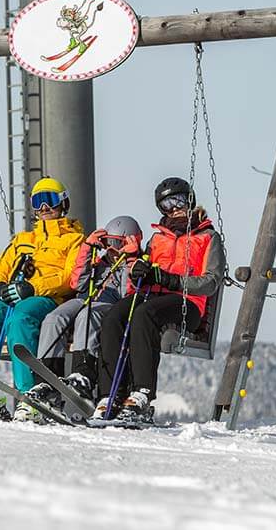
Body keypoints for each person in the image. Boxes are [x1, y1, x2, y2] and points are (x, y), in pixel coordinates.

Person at [0, 177, 85, 421]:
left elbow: (70, 277)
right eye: (38, 202)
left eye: (50, 201)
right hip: (11, 297)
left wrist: (32, 287)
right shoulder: (24, 240)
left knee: (21, 318)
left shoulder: (75, 240)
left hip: (47, 299)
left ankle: (30, 396)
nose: (44, 208)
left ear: (64, 203)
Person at [93, 177, 225, 424]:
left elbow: (210, 281)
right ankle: (110, 394)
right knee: (114, 316)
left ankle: (142, 393)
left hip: (187, 304)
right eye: (166, 205)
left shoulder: (208, 237)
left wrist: (171, 280)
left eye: (178, 201)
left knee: (144, 315)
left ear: (190, 199)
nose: (173, 208)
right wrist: (138, 266)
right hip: (152, 297)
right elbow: (142, 274)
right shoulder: (157, 238)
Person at [28, 215, 143, 408]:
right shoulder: (100, 262)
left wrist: (131, 260)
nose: (112, 248)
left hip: (110, 304)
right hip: (84, 298)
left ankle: (84, 372)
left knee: (88, 315)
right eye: (108, 242)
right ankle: (46, 378)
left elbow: (128, 294)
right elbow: (78, 283)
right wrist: (87, 249)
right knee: (55, 317)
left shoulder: (135, 263)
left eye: (118, 243)